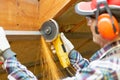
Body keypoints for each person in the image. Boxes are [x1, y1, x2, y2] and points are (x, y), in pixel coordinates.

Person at [61, 0, 120, 80]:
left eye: (90, 19)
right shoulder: (113, 58)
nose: (88, 24)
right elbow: (93, 71)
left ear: (106, 23)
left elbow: (100, 72)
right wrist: (71, 52)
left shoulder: (109, 69)